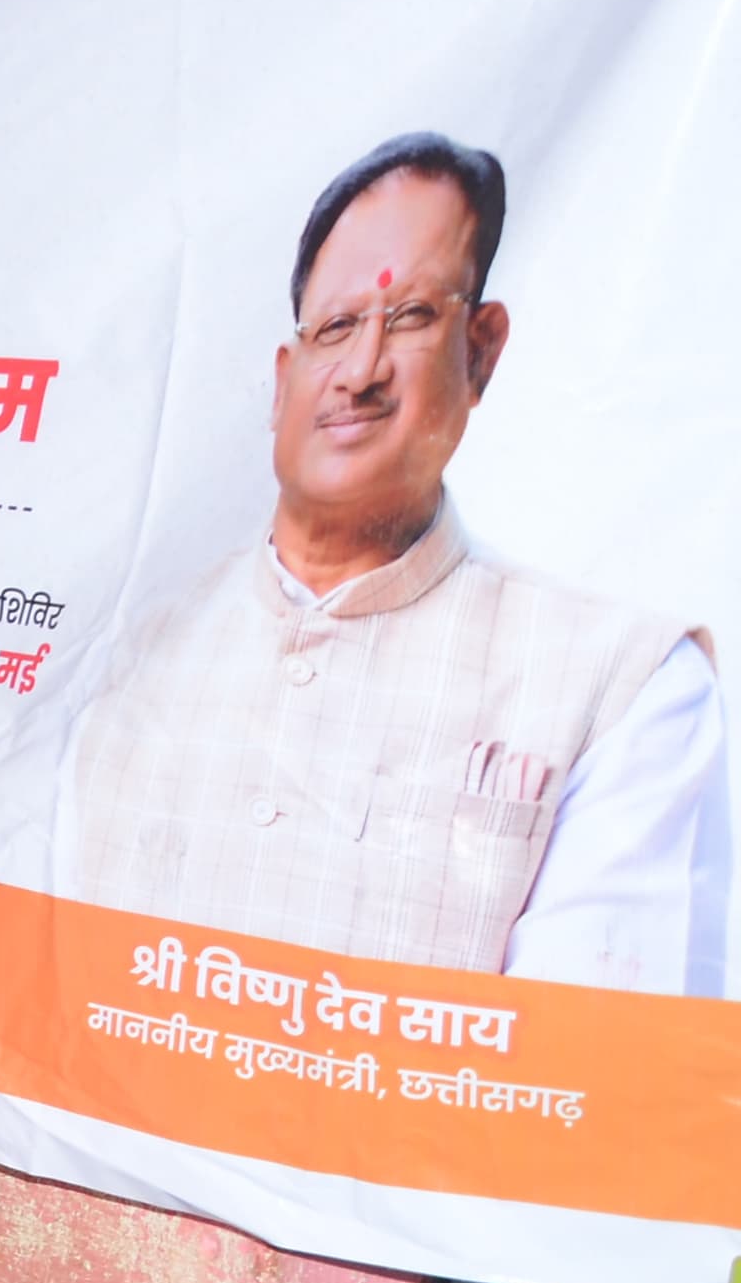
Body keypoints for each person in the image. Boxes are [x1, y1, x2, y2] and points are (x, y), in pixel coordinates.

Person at [64, 134, 730, 987]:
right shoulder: (128, 650)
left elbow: (594, 1059)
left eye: (411, 316)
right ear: (283, 381)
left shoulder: (622, 687)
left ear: (480, 351)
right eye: (336, 326)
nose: (362, 371)